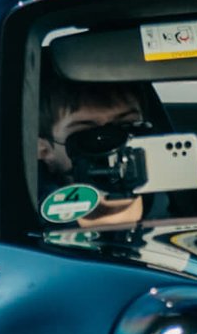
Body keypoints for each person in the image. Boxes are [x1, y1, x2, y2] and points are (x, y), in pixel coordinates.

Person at [37, 77, 159, 229]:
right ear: (44, 150)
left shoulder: (174, 189)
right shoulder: (29, 215)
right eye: (86, 133)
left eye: (126, 125)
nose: (110, 144)